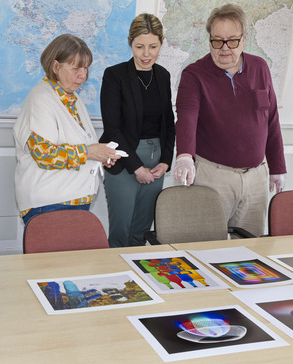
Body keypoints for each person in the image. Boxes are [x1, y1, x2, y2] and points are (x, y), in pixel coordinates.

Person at [174, 4, 286, 237]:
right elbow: (187, 115)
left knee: (250, 249)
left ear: (244, 39)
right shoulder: (194, 74)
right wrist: (185, 156)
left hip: (256, 178)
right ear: (210, 40)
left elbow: (272, 118)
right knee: (206, 245)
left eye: (232, 41)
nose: (224, 48)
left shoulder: (260, 67)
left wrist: (277, 167)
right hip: (213, 177)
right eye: (217, 41)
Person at [14, 34, 120, 225]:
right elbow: (44, 154)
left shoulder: (72, 98)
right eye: (76, 68)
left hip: (72, 202)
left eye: (86, 68)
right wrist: (90, 152)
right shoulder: (41, 99)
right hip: (50, 204)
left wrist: (100, 156)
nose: (83, 75)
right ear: (56, 67)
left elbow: (78, 148)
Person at [99, 13, 175, 247]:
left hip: (155, 161)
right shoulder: (114, 75)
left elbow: (168, 122)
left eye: (153, 46)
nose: (146, 54)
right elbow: (112, 128)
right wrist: (136, 167)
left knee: (142, 232)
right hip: (124, 159)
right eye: (139, 46)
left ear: (162, 41)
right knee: (121, 232)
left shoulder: (162, 75)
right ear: (130, 43)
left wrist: (165, 160)